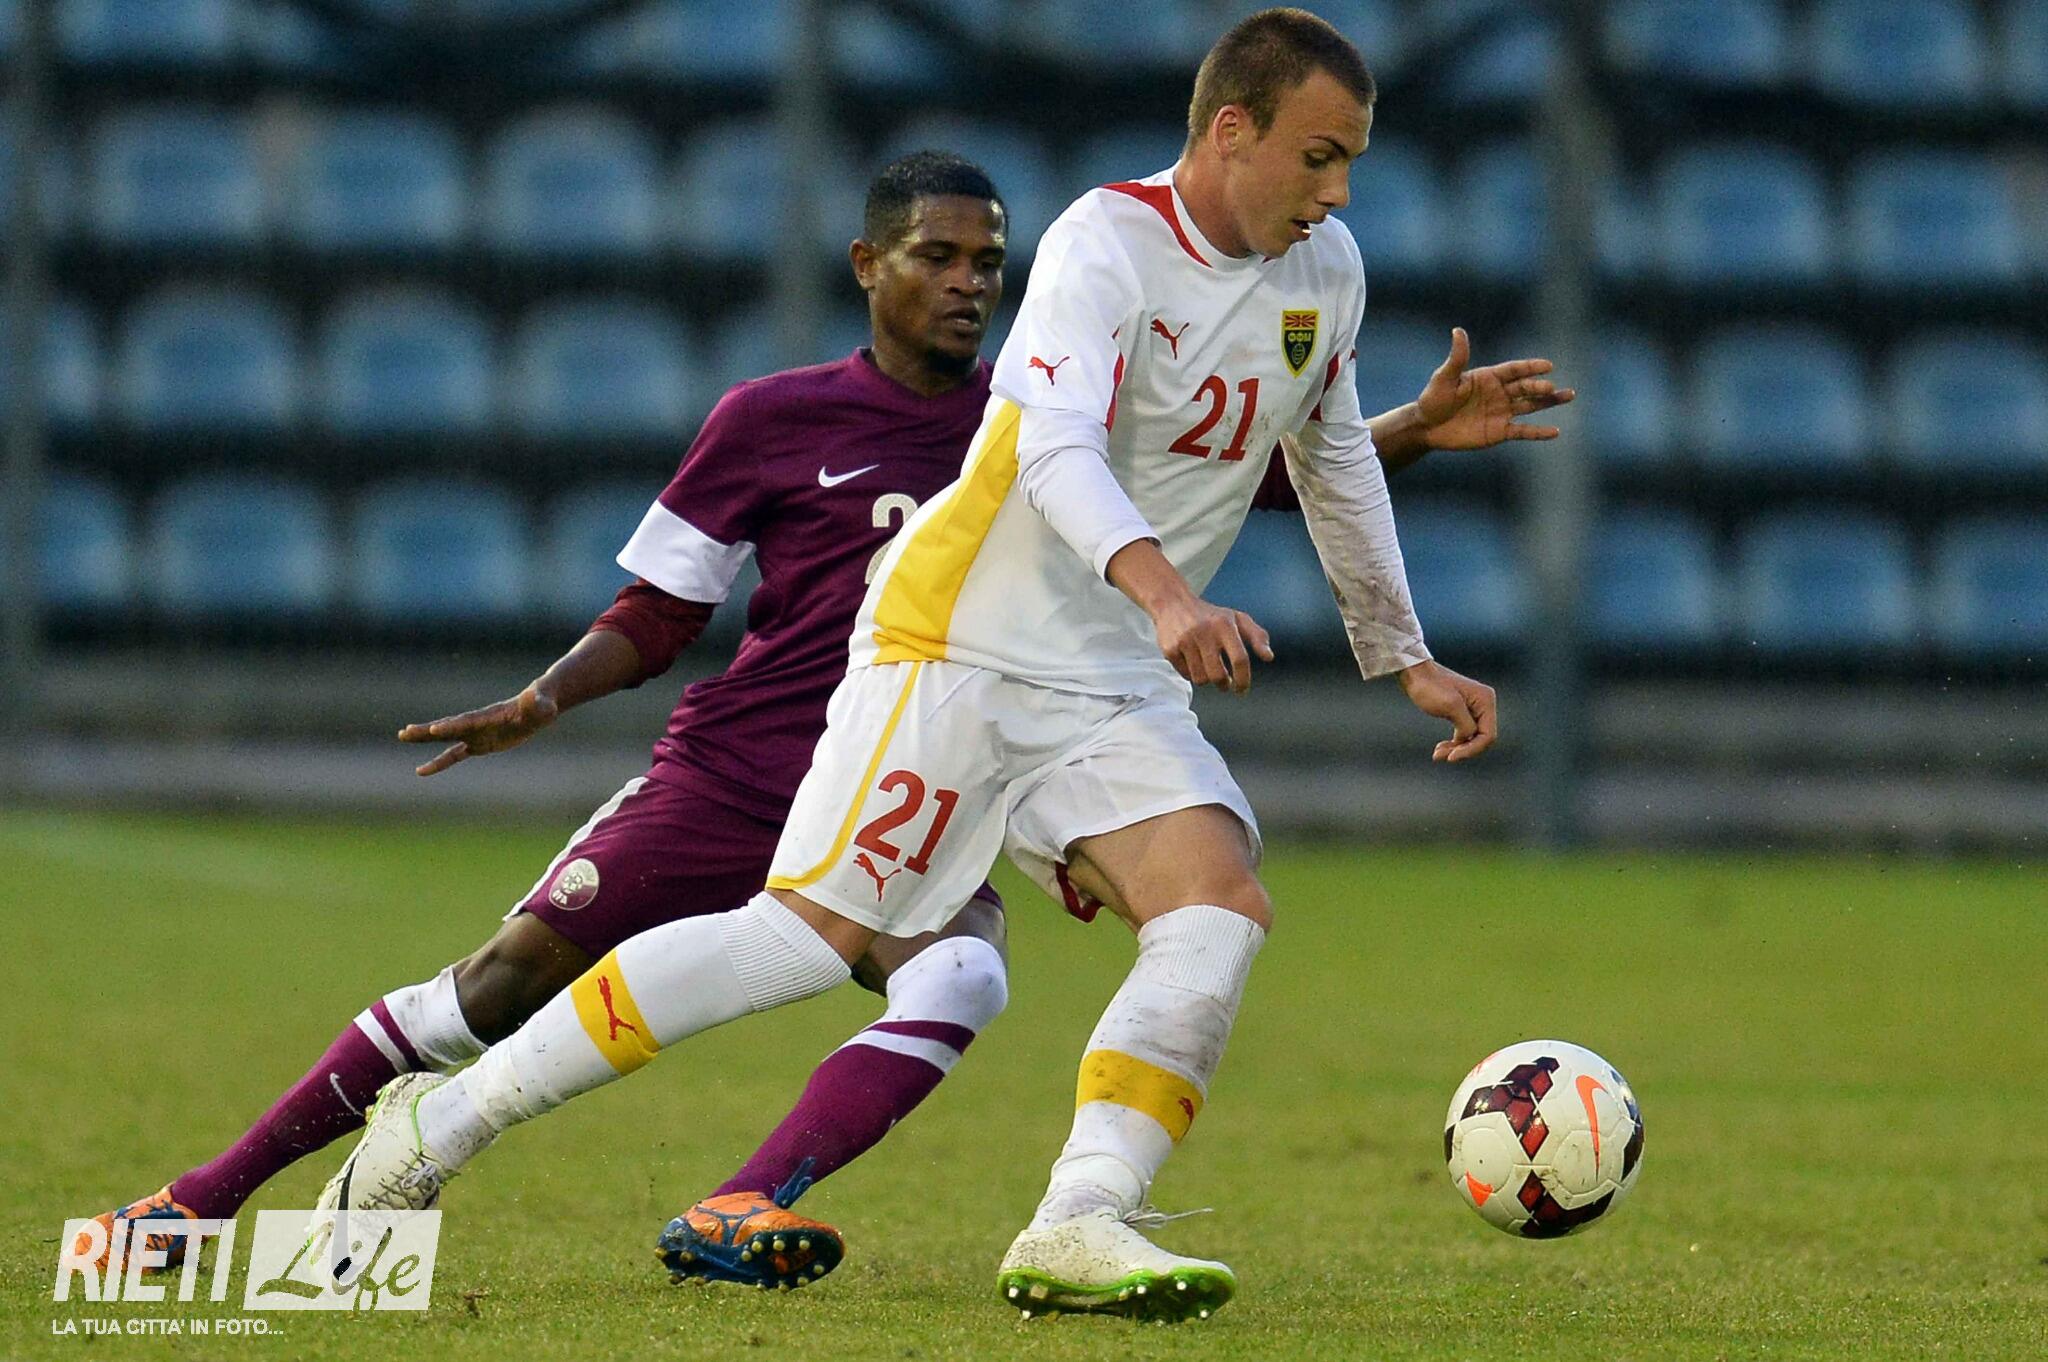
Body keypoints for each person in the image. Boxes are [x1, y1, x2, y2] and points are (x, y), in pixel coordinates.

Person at [319, 7, 1575, 1320]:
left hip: (1107, 678)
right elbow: (1051, 448)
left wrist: (1404, 654)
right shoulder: (1105, 244)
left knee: (1216, 905)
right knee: (803, 941)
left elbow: (1325, 455)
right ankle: (444, 1119)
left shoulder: (1328, 274)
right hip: (958, 640)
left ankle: (1081, 1216)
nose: (1340, 189)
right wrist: (1162, 592)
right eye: (1320, 156)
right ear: (1231, 129)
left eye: (1353, 162)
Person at [77, 152, 1020, 1292]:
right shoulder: (773, 420)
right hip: (740, 777)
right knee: (498, 985)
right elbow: (665, 607)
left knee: (960, 976)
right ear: (868, 265)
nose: (969, 282)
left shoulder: (1032, 429)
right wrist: (546, 697)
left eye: (987, 262)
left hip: (902, 791)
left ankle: (744, 1200)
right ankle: (200, 1204)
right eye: (938, 255)